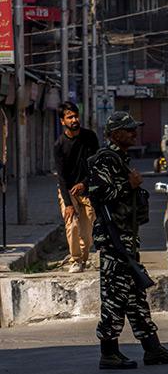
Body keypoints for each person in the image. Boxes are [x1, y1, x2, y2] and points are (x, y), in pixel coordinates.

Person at [88, 111, 168, 369]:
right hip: (113, 238)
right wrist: (129, 186)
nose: (134, 133)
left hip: (126, 237)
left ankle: (152, 349)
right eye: (129, 130)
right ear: (115, 134)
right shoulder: (105, 160)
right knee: (114, 296)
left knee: (134, 297)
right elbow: (98, 193)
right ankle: (108, 352)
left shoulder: (120, 158)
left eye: (134, 129)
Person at [53, 102, 100, 273]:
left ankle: (83, 258)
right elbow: (61, 176)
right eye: (70, 117)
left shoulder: (90, 137)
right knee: (72, 224)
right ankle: (76, 259)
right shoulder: (59, 145)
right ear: (62, 121)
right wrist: (68, 204)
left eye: (75, 116)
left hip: (87, 190)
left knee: (87, 235)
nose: (74, 119)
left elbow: (96, 166)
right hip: (68, 190)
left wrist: (84, 183)